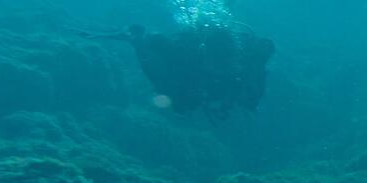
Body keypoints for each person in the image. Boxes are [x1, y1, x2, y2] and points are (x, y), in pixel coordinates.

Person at [91, 23, 275, 116]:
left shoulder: (247, 66)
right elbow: (161, 49)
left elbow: (251, 97)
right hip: (188, 70)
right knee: (173, 95)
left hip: (199, 76)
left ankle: (136, 39)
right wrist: (139, 42)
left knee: (178, 99)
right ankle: (136, 38)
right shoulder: (190, 55)